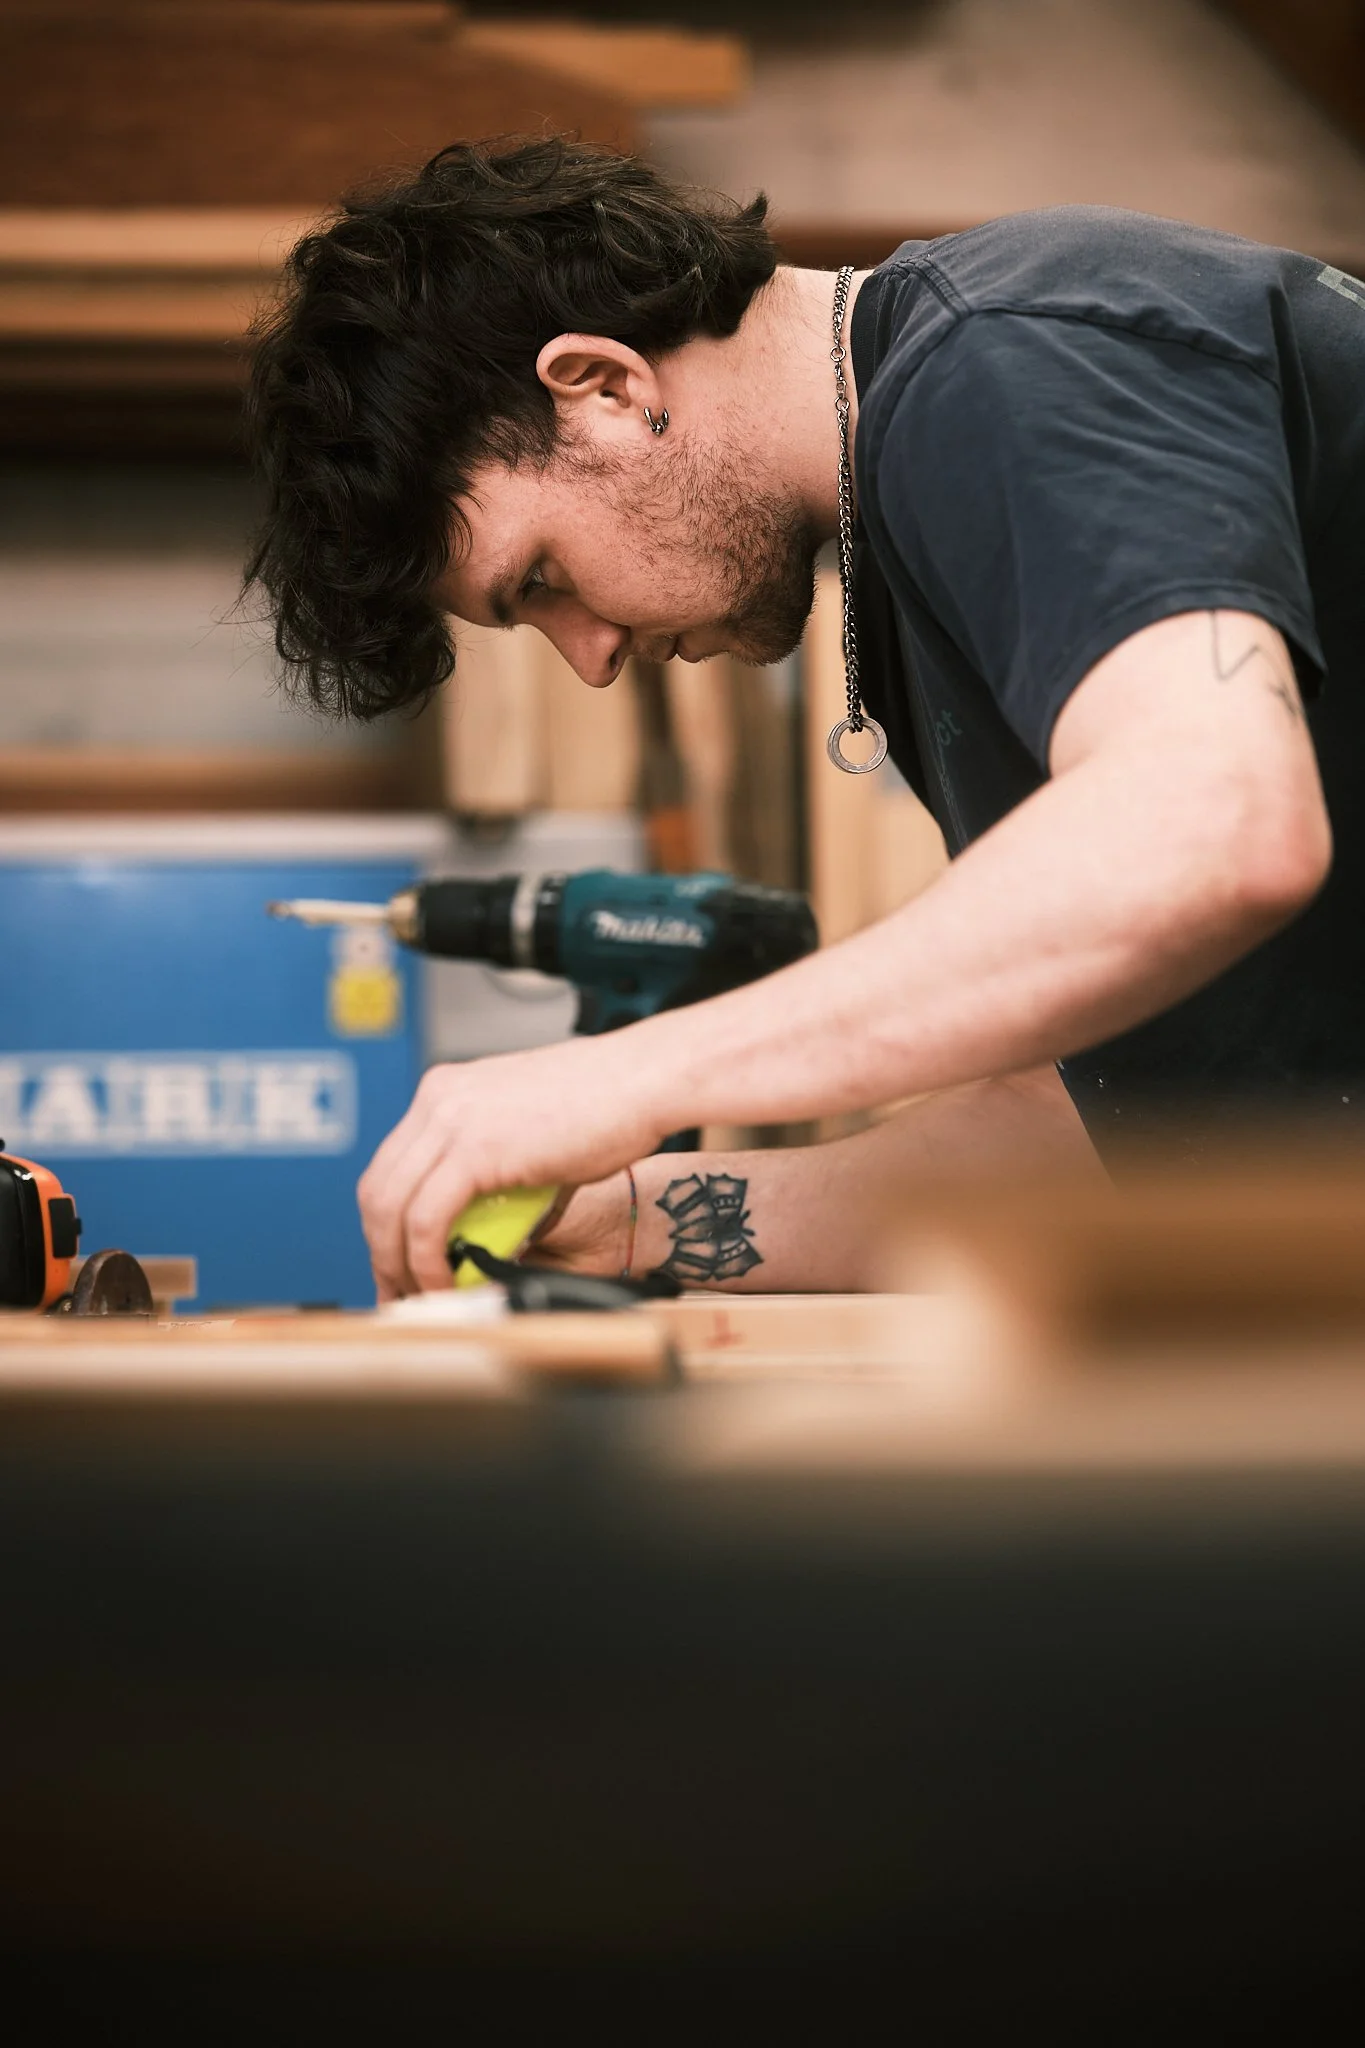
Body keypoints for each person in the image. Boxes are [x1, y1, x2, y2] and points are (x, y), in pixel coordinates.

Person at [245, 137, 1364, 1299]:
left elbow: (1218, 827)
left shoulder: (1007, 362)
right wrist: (639, 1220)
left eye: (539, 581)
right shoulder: (909, 526)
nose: (590, 657)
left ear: (606, 388)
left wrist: (625, 1079)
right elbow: (1126, 1116)